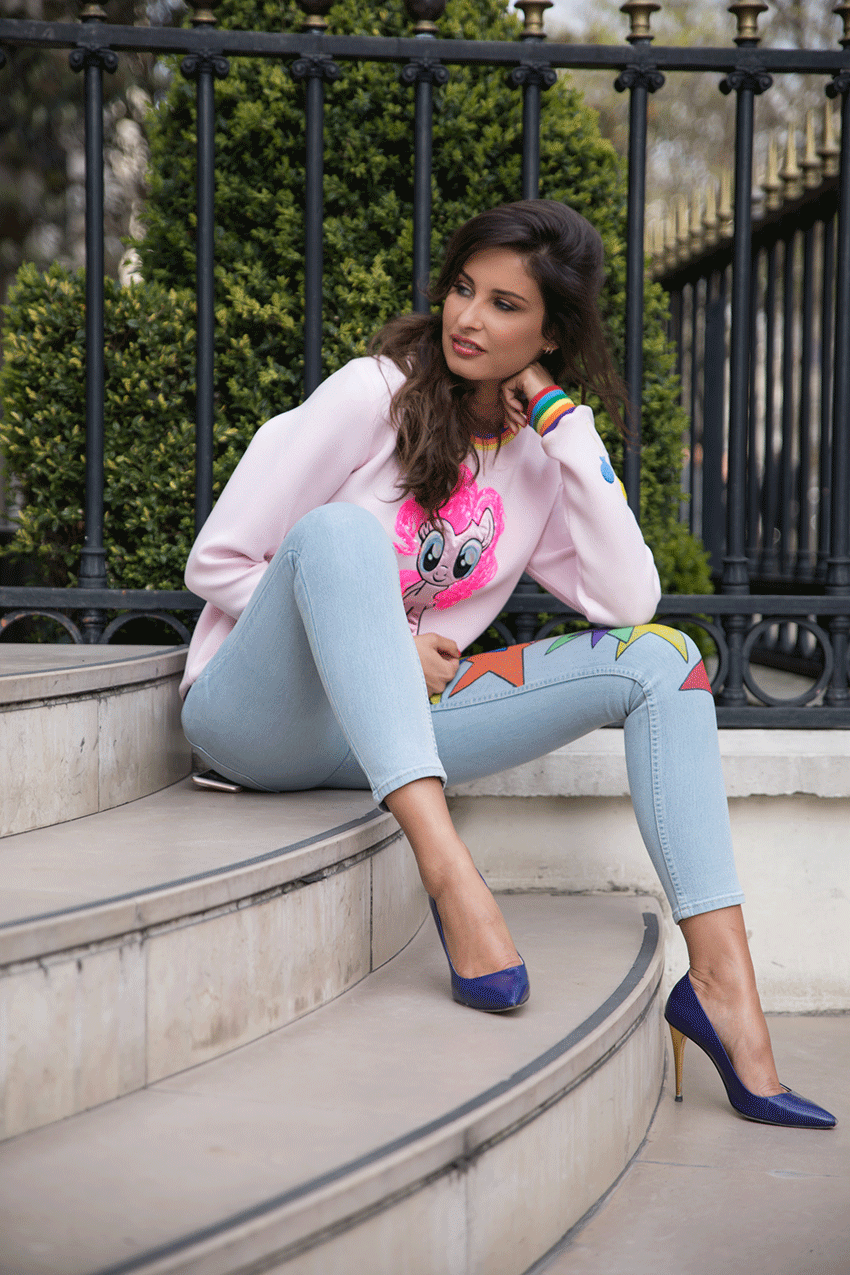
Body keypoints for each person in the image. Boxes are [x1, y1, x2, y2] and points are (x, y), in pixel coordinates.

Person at [180, 200, 835, 1129]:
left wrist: (564, 427)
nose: (468, 318)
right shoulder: (372, 394)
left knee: (668, 658)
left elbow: (627, 598)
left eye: (504, 304)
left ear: (550, 334)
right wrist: (390, 642)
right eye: (462, 288)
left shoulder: (533, 456)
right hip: (258, 720)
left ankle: (725, 989)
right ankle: (452, 877)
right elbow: (216, 562)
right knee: (336, 535)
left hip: (388, 730)